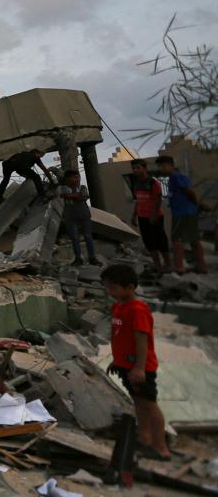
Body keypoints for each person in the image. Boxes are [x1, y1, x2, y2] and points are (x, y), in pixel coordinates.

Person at [102, 263, 170, 461]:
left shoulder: (138, 310)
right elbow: (121, 337)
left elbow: (142, 341)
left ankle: (161, 448)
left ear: (130, 287)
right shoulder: (118, 306)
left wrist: (139, 368)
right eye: (107, 287)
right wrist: (117, 361)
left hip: (140, 368)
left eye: (113, 287)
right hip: (126, 366)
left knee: (150, 404)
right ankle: (145, 439)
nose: (110, 292)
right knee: (139, 403)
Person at [157, 155, 206, 275]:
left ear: (172, 165)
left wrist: (197, 205)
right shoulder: (175, 178)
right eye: (160, 166)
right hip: (187, 212)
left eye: (163, 166)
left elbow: (189, 192)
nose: (161, 169)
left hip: (182, 213)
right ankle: (202, 267)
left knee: (177, 239)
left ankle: (179, 267)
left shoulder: (176, 177)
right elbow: (180, 194)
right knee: (194, 239)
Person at [130, 159, 170, 273]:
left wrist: (154, 215)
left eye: (138, 167)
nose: (135, 170)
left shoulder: (153, 182)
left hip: (155, 217)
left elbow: (158, 199)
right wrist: (134, 215)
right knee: (149, 242)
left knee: (161, 241)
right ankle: (158, 266)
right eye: (134, 168)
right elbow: (138, 200)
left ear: (144, 168)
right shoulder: (137, 183)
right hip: (142, 217)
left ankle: (168, 264)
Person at [58, 170, 100, 266]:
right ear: (68, 178)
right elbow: (64, 195)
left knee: (88, 237)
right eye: (74, 177)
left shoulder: (82, 187)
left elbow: (84, 197)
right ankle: (78, 258)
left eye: (78, 177)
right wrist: (77, 195)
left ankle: (92, 258)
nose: (77, 179)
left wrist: (73, 196)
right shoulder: (63, 188)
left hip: (84, 215)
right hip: (70, 217)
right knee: (74, 238)